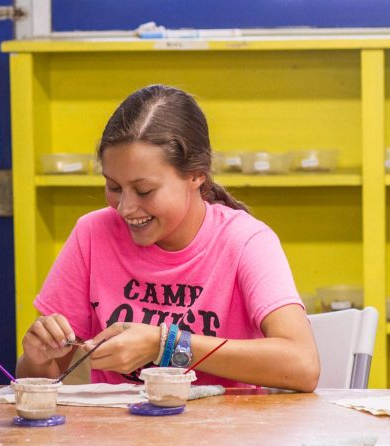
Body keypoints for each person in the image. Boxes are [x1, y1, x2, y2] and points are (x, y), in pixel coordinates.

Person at [16, 85, 319, 392]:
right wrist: (38, 357)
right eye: (114, 187)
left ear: (196, 175)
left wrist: (165, 344)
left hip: (225, 435)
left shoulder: (246, 241)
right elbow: (39, 382)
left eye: (144, 191)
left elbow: (302, 366)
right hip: (118, 436)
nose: (125, 208)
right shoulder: (92, 233)